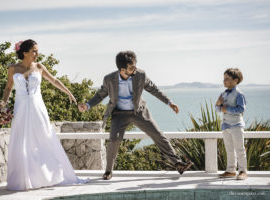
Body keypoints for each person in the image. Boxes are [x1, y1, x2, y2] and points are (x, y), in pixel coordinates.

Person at [78, 51, 193, 180]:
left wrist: (169, 102)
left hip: (139, 112)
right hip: (119, 114)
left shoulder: (140, 75)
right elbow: (100, 95)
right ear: (122, 69)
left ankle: (177, 164)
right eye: (132, 67)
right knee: (114, 140)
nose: (135, 69)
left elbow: (153, 89)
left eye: (135, 66)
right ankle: (108, 171)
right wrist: (87, 105)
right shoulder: (109, 79)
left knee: (157, 134)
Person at [1, 39, 89, 190]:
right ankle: (24, 179)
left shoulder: (40, 67)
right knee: (22, 141)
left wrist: (68, 92)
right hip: (20, 108)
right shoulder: (13, 69)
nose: (37, 54)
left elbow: (54, 80)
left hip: (37, 108)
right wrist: (2, 105)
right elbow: (8, 88)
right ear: (24, 53)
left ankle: (47, 176)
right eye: (34, 51)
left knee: (44, 139)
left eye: (37, 50)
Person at [216, 68, 247, 180]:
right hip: (226, 125)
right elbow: (218, 109)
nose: (224, 81)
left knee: (240, 149)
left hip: (236, 125)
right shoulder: (223, 94)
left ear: (235, 80)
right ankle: (231, 170)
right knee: (229, 149)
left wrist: (226, 109)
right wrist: (218, 104)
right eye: (224, 79)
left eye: (227, 79)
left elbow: (241, 109)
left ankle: (243, 171)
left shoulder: (239, 94)